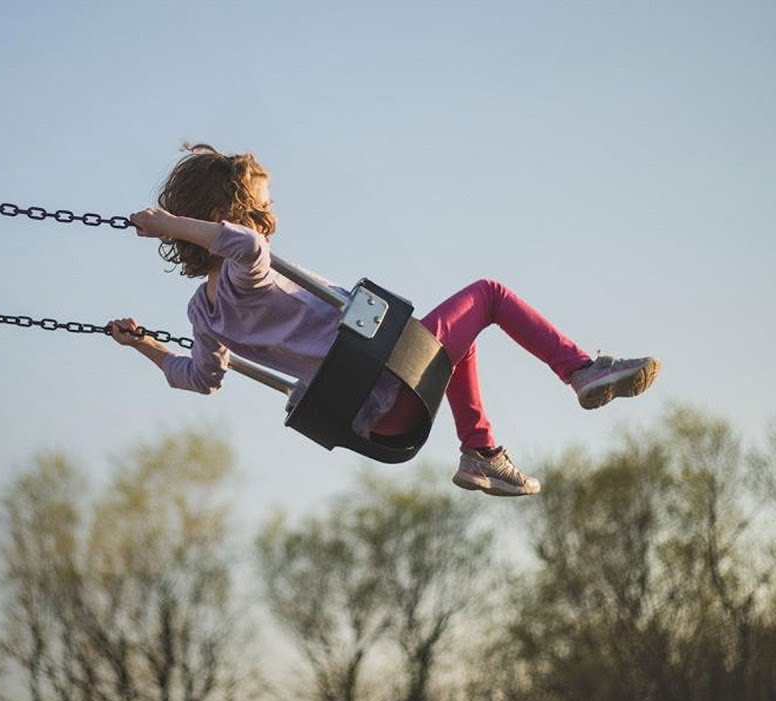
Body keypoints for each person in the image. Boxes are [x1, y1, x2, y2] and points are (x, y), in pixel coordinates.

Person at [107, 144, 659, 497]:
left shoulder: (202, 314)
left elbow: (201, 378)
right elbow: (245, 246)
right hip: (386, 377)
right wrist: (172, 224)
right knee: (488, 295)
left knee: (457, 344)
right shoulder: (243, 274)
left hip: (371, 418)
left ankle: (482, 453)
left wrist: (145, 346)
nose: (272, 215)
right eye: (262, 203)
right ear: (226, 216)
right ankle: (580, 370)